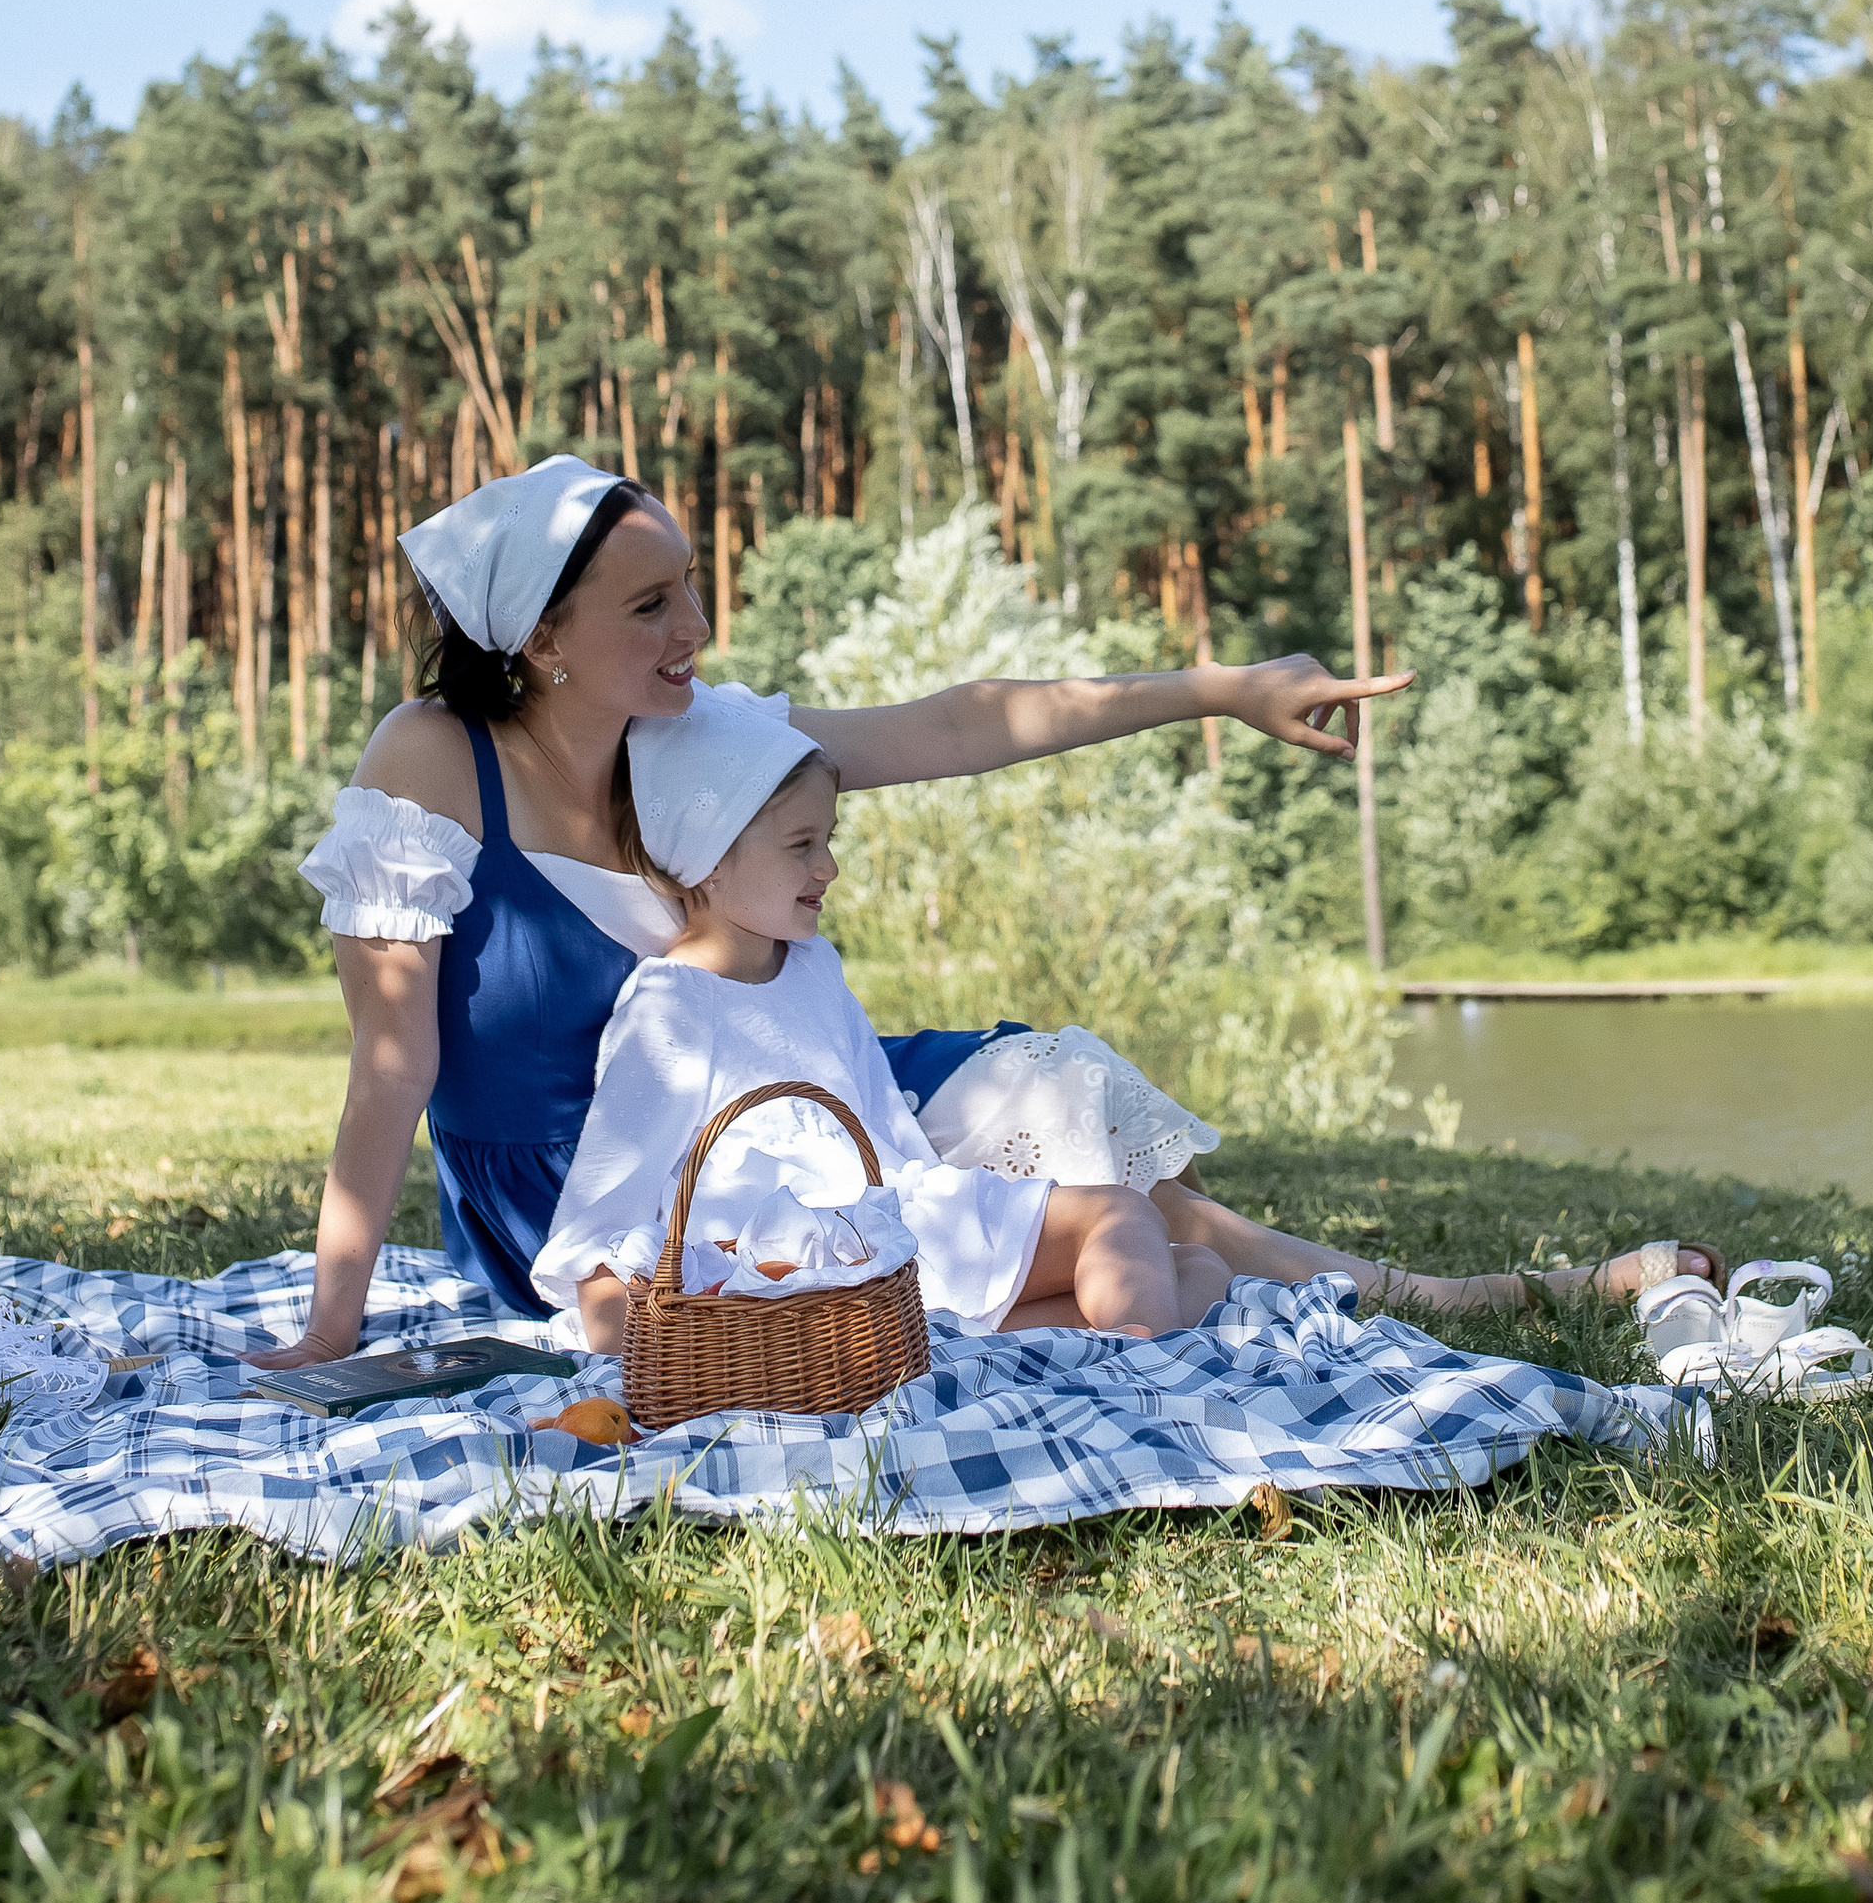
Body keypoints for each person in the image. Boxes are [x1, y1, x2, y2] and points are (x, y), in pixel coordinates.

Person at [266, 458, 1407, 1366]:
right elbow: (392, 1067)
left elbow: (961, 727)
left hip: (794, 1112)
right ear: (543, 639)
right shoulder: (430, 760)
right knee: (1035, 1200)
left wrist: (1219, 690)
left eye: (693, 587)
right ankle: (1250, 1299)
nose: (696, 629)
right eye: (653, 604)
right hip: (609, 1200)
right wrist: (333, 1323)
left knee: (1052, 1093)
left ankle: (1385, 1288)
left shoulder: (697, 737)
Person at [534, 684, 1232, 1345]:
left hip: (888, 1235)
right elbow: (605, 1206)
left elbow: (884, 1133)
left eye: (827, 839)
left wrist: (959, 1213)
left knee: (1197, 1271)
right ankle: (1149, 1387)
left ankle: (1075, 1358)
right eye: (802, 844)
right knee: (1121, 1216)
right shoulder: (671, 1005)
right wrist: (619, 1331)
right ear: (709, 861)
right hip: (794, 1266)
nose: (828, 867)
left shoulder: (812, 967)